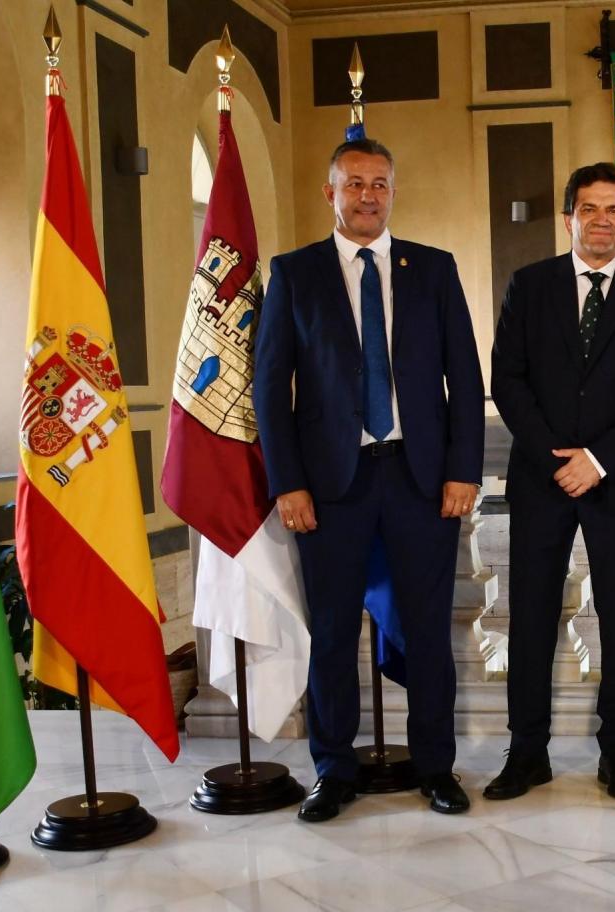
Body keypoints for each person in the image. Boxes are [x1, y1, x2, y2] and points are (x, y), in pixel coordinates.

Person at [254, 139, 484, 821]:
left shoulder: (434, 271)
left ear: (392, 192)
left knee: (427, 631)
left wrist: (462, 471)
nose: (368, 196)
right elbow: (271, 387)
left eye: (380, 184)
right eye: (354, 184)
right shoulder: (295, 275)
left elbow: (465, 382)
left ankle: (436, 768)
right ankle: (333, 770)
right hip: (330, 488)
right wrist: (286, 481)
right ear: (331, 193)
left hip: (419, 482)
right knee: (330, 634)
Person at [486, 163, 615, 801]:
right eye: (589, 209)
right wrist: (553, 457)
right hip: (542, 481)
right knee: (531, 618)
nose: (601, 220)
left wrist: (597, 459)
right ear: (568, 217)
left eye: (614, 210)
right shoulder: (529, 284)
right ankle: (527, 752)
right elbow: (508, 380)